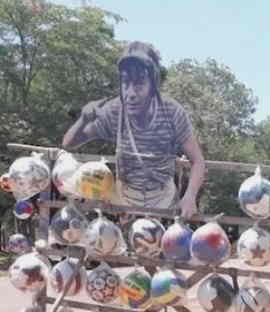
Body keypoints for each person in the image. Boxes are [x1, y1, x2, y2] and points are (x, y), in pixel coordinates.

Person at [62, 41, 205, 218]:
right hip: (122, 198)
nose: (130, 93)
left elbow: (198, 161)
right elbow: (68, 144)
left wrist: (189, 197)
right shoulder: (115, 110)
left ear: (153, 86)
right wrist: (83, 120)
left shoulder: (172, 112)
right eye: (125, 83)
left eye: (139, 84)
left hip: (163, 199)